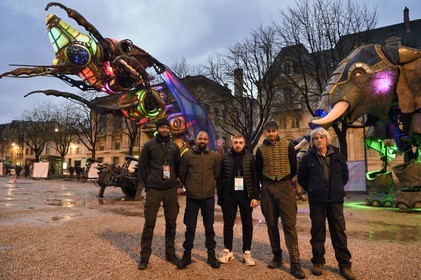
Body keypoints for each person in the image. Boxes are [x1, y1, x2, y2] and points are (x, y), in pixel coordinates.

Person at [297, 127, 355, 280]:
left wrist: (335, 189)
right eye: (316, 138)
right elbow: (302, 178)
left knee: (339, 233)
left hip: (335, 200)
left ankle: (344, 265)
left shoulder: (337, 155)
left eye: (322, 137)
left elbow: (345, 176)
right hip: (317, 201)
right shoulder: (307, 158)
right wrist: (312, 188)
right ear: (313, 141)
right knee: (317, 232)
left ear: (327, 139)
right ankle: (317, 262)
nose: (319, 140)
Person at [255, 120, 306, 279]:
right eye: (268, 131)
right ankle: (277, 256)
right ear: (265, 132)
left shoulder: (288, 146)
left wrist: (286, 182)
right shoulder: (260, 150)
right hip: (268, 187)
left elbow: (293, 166)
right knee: (271, 224)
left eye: (273, 131)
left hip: (285, 187)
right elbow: (258, 170)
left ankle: (295, 262)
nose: (271, 134)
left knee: (289, 225)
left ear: (278, 131)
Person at [137, 118, 181, 270]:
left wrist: (178, 183)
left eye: (166, 127)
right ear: (157, 129)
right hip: (154, 188)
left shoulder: (174, 147)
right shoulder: (149, 146)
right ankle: (144, 257)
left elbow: (178, 166)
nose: (164, 130)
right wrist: (146, 185)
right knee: (149, 223)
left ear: (169, 130)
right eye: (161, 127)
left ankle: (170, 254)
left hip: (170, 189)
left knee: (171, 223)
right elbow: (142, 166)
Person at [177, 131, 221, 269]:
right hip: (192, 197)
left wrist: (210, 186)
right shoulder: (187, 155)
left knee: (209, 227)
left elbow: (216, 174)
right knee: (190, 227)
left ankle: (211, 254)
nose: (202, 141)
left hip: (208, 197)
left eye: (205, 139)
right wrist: (189, 187)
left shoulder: (214, 156)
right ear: (196, 140)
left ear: (208, 141)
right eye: (200, 138)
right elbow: (182, 174)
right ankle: (187, 254)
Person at [217, 134, 260, 266]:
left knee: (247, 225)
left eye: (240, 142)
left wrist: (255, 197)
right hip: (229, 196)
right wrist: (220, 198)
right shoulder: (225, 158)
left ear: (244, 143)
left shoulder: (250, 158)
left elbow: (255, 178)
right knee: (228, 224)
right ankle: (228, 251)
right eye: (236, 142)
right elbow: (219, 179)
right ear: (232, 143)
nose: (238, 145)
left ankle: (246, 252)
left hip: (246, 196)